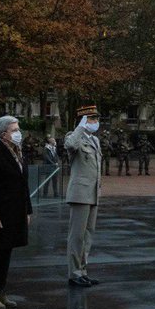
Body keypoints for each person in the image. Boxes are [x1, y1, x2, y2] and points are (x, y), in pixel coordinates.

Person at [0, 115, 32, 309]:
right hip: (0, 212)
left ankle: (0, 290)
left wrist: (28, 210)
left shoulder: (17, 153)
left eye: (18, 129)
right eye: (14, 130)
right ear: (3, 134)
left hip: (15, 211)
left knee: (7, 251)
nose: (18, 133)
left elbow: (23, 185)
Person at [64, 106, 103, 287]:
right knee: (77, 236)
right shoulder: (74, 137)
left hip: (93, 193)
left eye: (96, 119)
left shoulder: (94, 140)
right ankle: (74, 273)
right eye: (92, 119)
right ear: (83, 121)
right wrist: (80, 127)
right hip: (80, 194)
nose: (96, 122)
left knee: (88, 235)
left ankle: (83, 270)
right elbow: (70, 145)